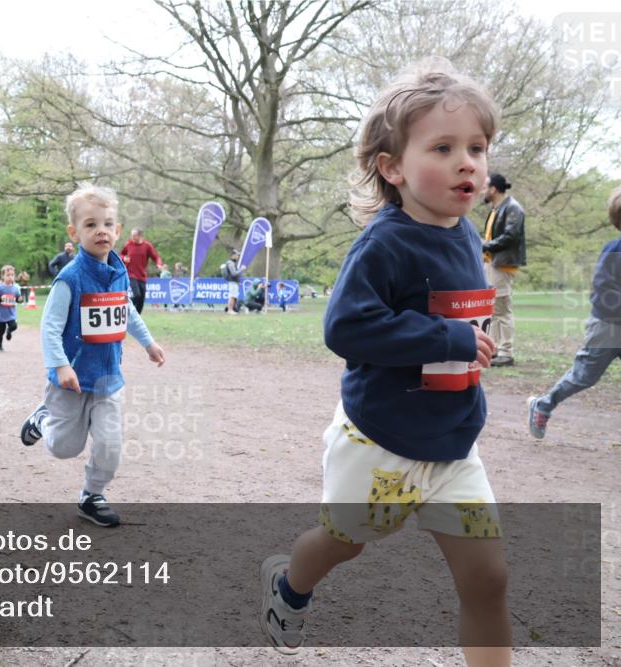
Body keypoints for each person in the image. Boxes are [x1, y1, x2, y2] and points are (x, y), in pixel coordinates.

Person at [259, 62, 509, 667]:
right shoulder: (384, 243)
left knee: (488, 579)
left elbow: (456, 326)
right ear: (393, 167)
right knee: (344, 544)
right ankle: (289, 585)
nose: (467, 162)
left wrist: (471, 341)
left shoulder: (466, 233)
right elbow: (345, 326)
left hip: (452, 447)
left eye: (477, 148)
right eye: (443, 147)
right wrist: (447, 339)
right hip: (382, 445)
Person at [19, 183, 165, 527]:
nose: (100, 230)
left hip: (108, 380)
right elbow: (49, 328)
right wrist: (60, 364)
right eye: (90, 224)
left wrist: (148, 342)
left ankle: (92, 494)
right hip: (70, 382)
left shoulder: (118, 272)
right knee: (64, 448)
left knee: (110, 446)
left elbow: (126, 310)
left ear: (117, 230)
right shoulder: (69, 278)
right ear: (74, 232)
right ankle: (43, 418)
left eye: (107, 224)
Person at [528, 185, 621, 439]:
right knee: (583, 377)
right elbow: (603, 291)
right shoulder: (614, 251)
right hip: (607, 327)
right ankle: (543, 404)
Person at [481, 172, 526, 367]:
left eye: (485, 187)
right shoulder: (496, 208)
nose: (482, 190)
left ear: (493, 189)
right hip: (492, 264)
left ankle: (506, 352)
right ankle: (494, 349)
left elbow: (510, 237)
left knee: (502, 309)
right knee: (492, 309)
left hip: (502, 264)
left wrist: (485, 245)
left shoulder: (513, 208)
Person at [120, 228, 162, 314]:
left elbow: (156, 257)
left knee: (142, 299)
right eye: (131, 235)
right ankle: (124, 306)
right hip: (131, 274)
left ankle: (137, 315)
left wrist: (159, 264)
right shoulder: (129, 244)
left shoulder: (147, 246)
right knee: (137, 294)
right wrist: (124, 258)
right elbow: (121, 254)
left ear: (140, 236)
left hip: (142, 275)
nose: (132, 237)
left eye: (134, 235)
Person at [0, 265, 23, 352]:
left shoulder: (15, 288)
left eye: (12, 275)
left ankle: (9, 331)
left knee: (14, 326)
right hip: (1, 314)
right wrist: (0, 298)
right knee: (1, 331)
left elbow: (18, 298)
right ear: (3, 276)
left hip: (11, 313)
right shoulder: (0, 287)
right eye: (8, 275)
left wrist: (20, 299)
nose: (10, 277)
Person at [221, 249, 246, 314]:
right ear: (232, 256)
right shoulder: (231, 263)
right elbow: (234, 273)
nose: (238, 256)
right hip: (232, 282)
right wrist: (241, 269)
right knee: (232, 296)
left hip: (234, 282)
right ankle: (230, 310)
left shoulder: (233, 263)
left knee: (234, 296)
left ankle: (231, 309)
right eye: (237, 255)